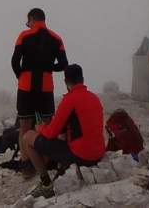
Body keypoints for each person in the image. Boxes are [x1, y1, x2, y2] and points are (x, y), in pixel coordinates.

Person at [21, 64, 106, 198]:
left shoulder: (69, 99)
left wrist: (39, 128)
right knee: (62, 137)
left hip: (82, 156)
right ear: (82, 79)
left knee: (28, 137)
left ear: (66, 82)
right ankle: (61, 170)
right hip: (99, 153)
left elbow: (51, 133)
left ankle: (46, 183)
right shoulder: (94, 98)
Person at [11, 8, 68, 176]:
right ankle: (46, 161)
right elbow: (64, 64)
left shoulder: (24, 35)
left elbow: (15, 61)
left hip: (26, 86)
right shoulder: (56, 39)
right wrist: (49, 67)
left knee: (24, 126)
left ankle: (26, 164)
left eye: (28, 22)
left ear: (31, 19)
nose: (27, 25)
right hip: (45, 87)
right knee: (46, 125)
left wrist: (21, 75)